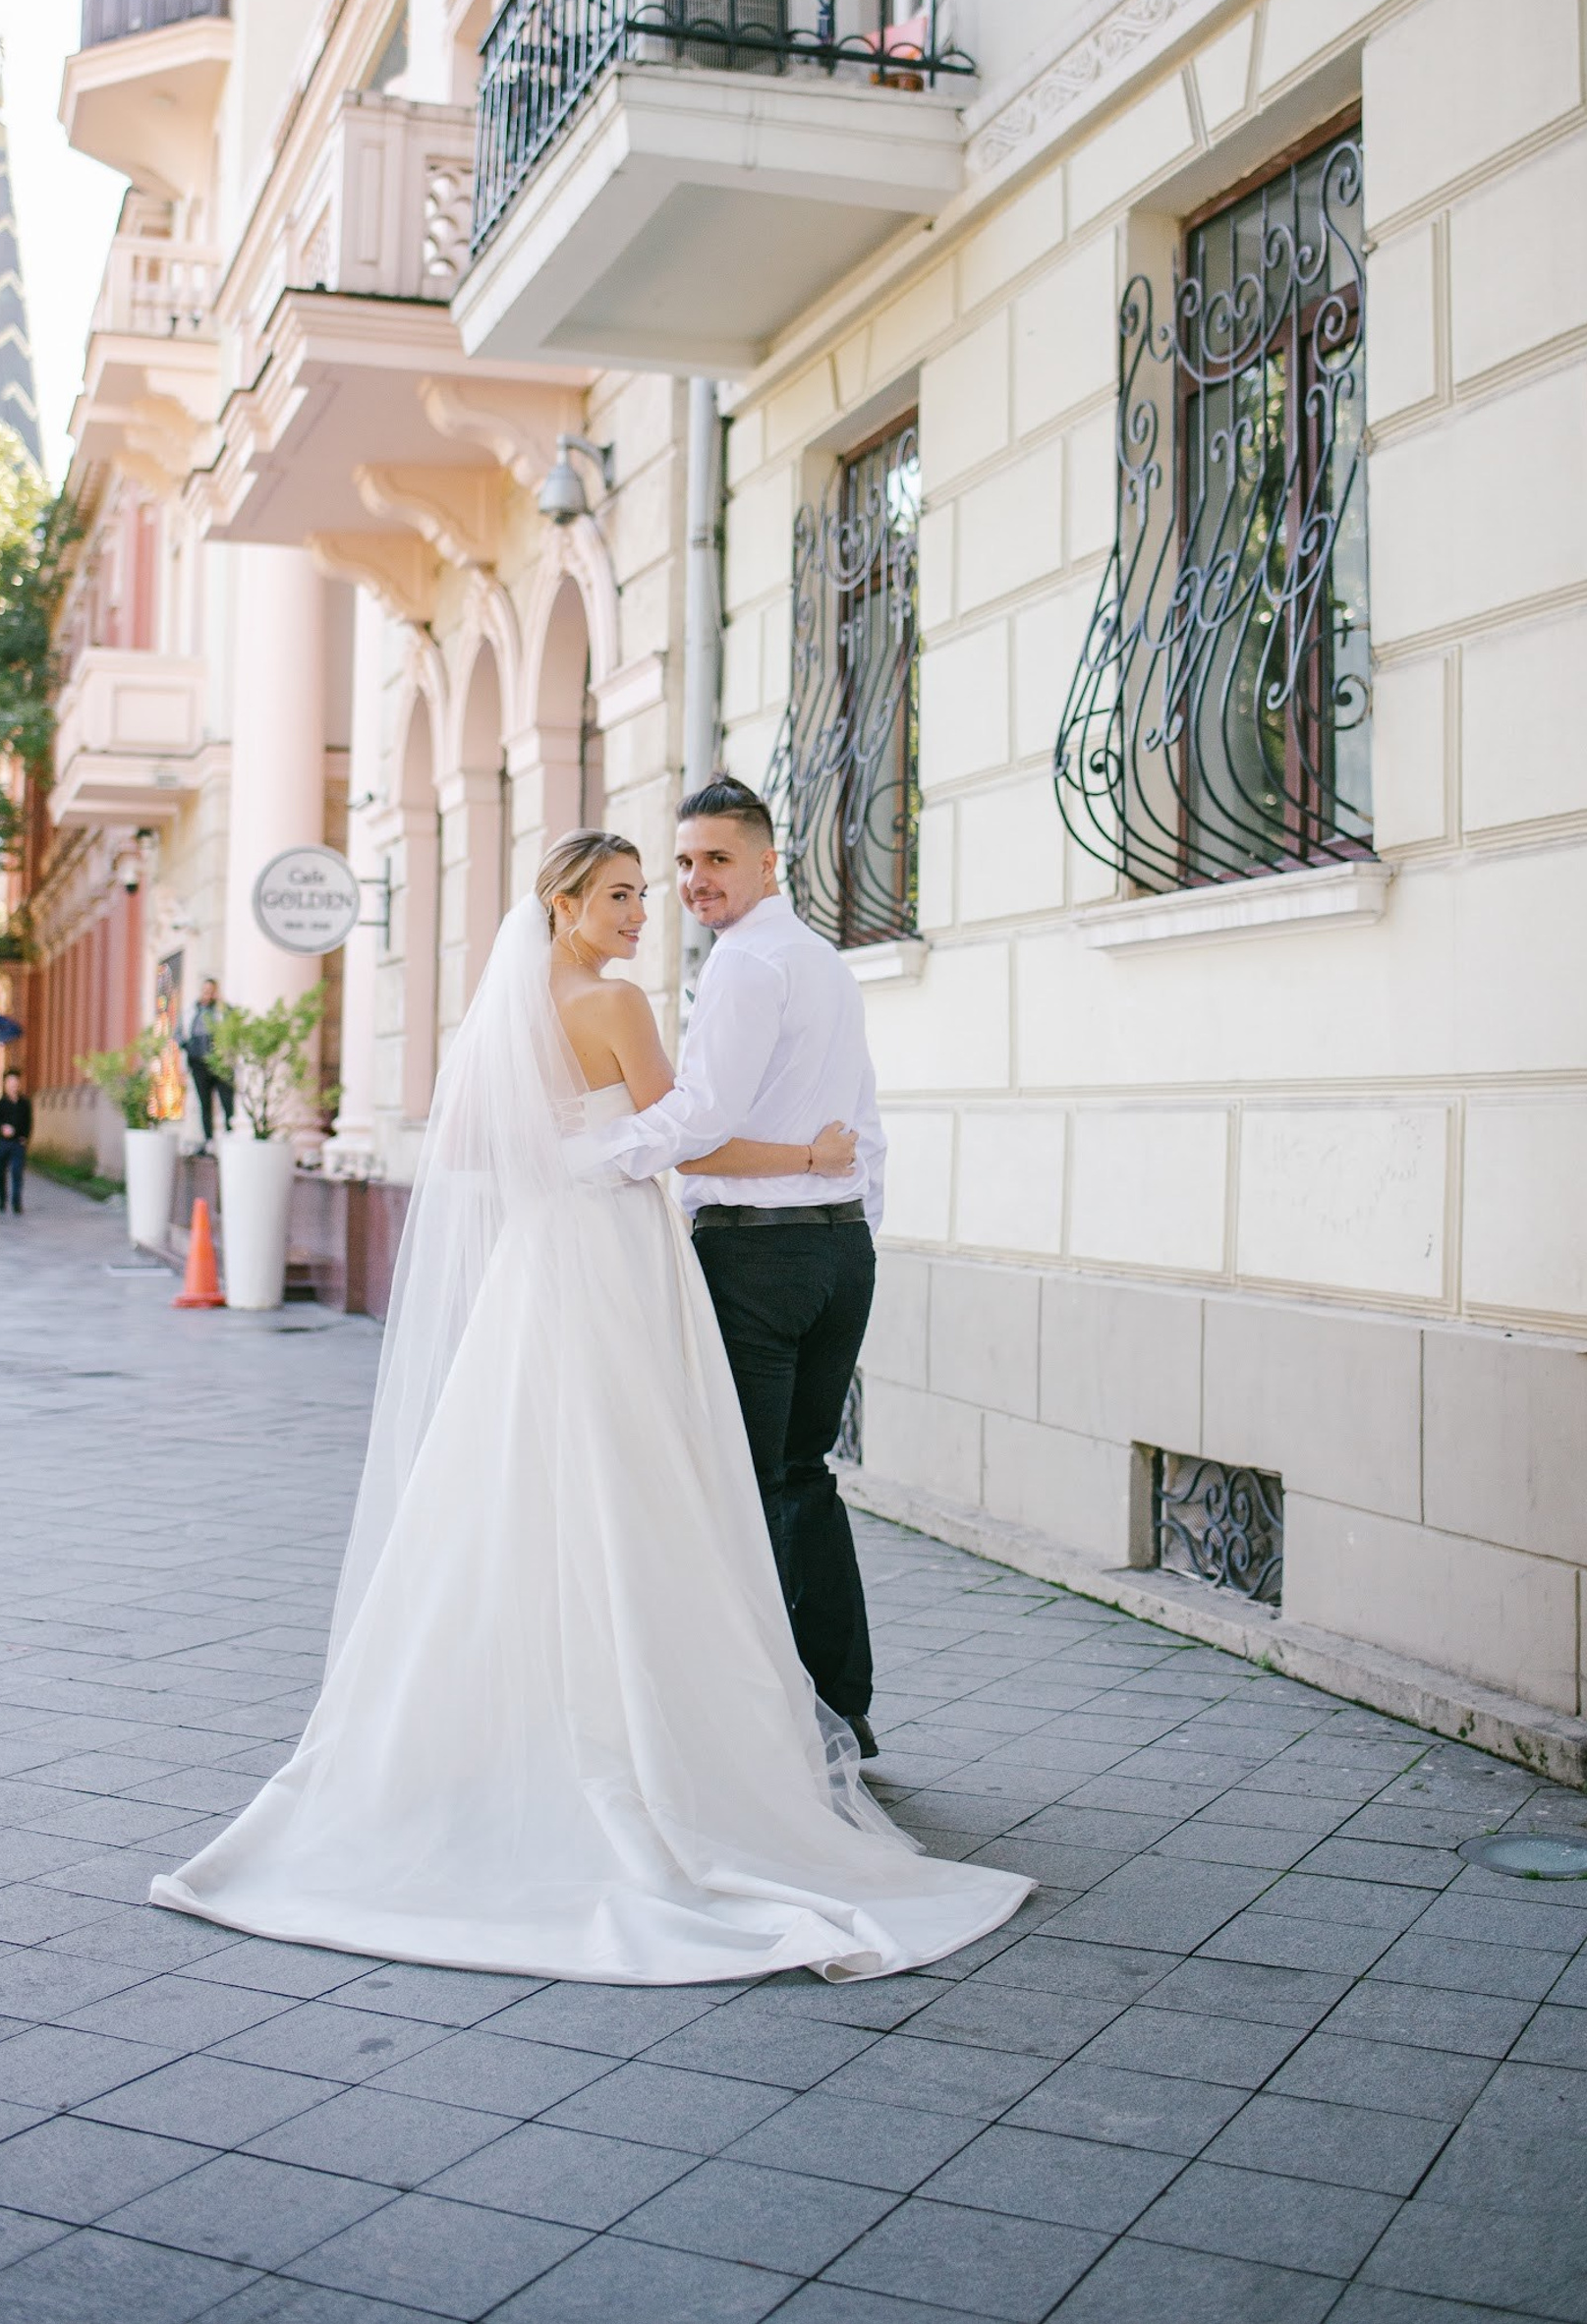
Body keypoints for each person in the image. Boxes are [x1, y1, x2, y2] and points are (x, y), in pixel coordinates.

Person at [150, 830, 1032, 1983]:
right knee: (641, 1478)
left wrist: (577, 1157)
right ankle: (643, 1723)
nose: (639, 915)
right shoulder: (614, 1005)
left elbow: (477, 1148)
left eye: (645, 895)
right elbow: (690, 1135)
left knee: (519, 1477)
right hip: (614, 1257)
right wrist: (815, 1153)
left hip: (538, 1260)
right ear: (563, 905)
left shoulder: (510, 1014)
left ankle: (514, 1720)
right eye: (619, 896)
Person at [589, 777, 885, 1756]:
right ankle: (840, 1711)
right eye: (683, 862)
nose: (694, 880)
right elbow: (858, 1121)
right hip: (841, 1251)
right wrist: (844, 1211)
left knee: (740, 1490)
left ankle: (759, 1735)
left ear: (768, 860)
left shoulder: (748, 966)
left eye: (716, 859)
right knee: (805, 1478)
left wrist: (601, 1153)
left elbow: (702, 1120)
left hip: (759, 1257)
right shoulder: (823, 961)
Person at [181, 979, 233, 1145]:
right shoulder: (191, 1011)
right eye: (205, 990)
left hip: (219, 1062)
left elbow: (233, 1022)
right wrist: (187, 1047)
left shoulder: (222, 1010)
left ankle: (230, 1134)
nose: (207, 994)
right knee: (205, 1102)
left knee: (227, 1100)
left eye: (211, 991)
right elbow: (179, 1032)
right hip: (198, 1062)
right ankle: (209, 1139)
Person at [0, 1071, 32, 1214]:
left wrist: (25, 1137)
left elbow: (29, 1122)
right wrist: (2, 1128)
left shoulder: (24, 1103)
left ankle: (16, 1203)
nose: (13, 1086)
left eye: (16, 1083)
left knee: (17, 1172)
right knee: (1, 1172)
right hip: (3, 1143)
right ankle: (2, 1200)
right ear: (5, 1084)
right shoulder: (0, 1104)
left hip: (18, 1143)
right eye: (10, 1083)